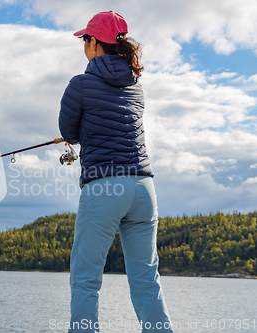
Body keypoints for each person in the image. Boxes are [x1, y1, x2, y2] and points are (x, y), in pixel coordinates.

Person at [58, 11, 174, 333]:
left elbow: (69, 131)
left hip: (105, 187)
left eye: (85, 40)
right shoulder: (136, 87)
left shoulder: (80, 84)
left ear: (94, 43)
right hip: (143, 188)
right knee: (146, 280)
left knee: (86, 279)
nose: (84, 45)